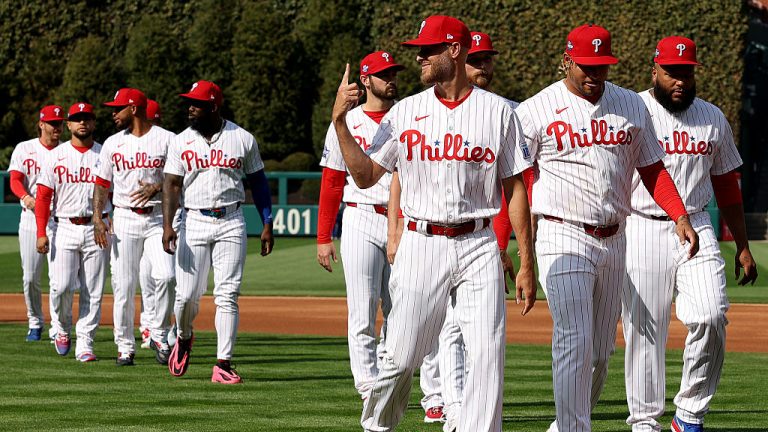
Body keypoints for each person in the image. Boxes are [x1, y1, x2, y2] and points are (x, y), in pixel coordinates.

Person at [332, 15, 536, 432]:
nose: (420, 57)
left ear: (455, 51)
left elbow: (516, 190)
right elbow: (368, 175)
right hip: (422, 241)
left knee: (487, 354)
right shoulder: (406, 111)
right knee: (401, 354)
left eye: (428, 49)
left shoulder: (499, 112)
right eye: (419, 51)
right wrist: (339, 123)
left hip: (478, 242)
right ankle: (377, 426)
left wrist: (526, 261)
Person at [514, 24, 699, 432]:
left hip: (615, 238)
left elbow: (652, 168)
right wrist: (523, 258)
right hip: (562, 233)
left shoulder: (632, 105)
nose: (594, 75)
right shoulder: (534, 110)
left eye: (602, 66)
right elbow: (517, 184)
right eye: (586, 66)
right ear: (566, 61)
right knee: (575, 340)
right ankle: (574, 428)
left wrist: (680, 215)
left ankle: (565, 423)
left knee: (599, 353)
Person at [622, 36, 758, 432]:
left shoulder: (712, 117)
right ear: (655, 70)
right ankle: (645, 423)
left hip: (697, 224)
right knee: (646, 331)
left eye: (686, 72)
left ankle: (689, 414)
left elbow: (727, 186)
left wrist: (744, 246)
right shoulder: (634, 109)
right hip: (642, 225)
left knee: (712, 314)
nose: (679, 79)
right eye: (671, 72)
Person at [317, 51, 444, 422]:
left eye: (394, 72)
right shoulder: (346, 121)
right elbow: (332, 179)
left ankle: (430, 392)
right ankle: (368, 388)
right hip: (358, 217)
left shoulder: (409, 115)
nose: (392, 78)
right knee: (362, 312)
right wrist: (324, 235)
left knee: (409, 310)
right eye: (384, 73)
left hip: (404, 222)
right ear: (366, 79)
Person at [162, 79, 274, 384]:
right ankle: (184, 337)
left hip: (231, 220)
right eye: (189, 102)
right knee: (185, 296)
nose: (190, 108)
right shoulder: (180, 141)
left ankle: (223, 363)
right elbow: (171, 183)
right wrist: (167, 224)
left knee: (227, 295)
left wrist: (267, 222)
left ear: (213, 106)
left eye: (196, 104)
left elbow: (259, 182)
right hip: (193, 220)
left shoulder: (242, 138)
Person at [93, 88, 177, 366]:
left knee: (166, 276)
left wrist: (158, 186)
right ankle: (125, 346)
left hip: (157, 219)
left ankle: (160, 335)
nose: (113, 113)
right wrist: (97, 215)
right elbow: (102, 183)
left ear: (134, 108)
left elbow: (184, 177)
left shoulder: (167, 140)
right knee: (124, 286)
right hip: (125, 218)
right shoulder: (112, 143)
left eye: (118, 108)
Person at [34, 102, 109, 362]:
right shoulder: (55, 156)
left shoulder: (104, 153)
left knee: (93, 289)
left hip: (97, 227)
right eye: (77, 119)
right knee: (61, 286)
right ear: (68, 125)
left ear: (94, 123)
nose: (82, 123)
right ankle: (62, 328)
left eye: (87, 118)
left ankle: (85, 343)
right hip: (64, 225)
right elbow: (43, 196)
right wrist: (40, 231)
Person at [8, 105, 63, 341]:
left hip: (60, 221)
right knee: (30, 277)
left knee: (59, 279)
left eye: (60, 122)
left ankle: (58, 326)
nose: (56, 127)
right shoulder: (25, 148)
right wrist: (25, 197)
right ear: (41, 124)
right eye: (52, 122)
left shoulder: (68, 151)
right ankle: (35, 321)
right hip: (31, 219)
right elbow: (14, 180)